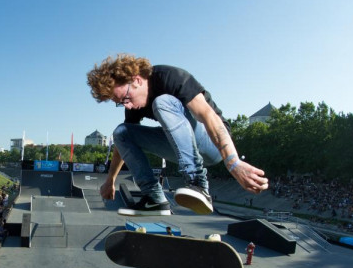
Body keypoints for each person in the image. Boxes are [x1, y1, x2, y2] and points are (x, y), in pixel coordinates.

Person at [87, 54, 268, 215]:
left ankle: (198, 183)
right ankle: (154, 199)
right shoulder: (134, 105)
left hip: (211, 143)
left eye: (125, 98)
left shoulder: (170, 77)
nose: (127, 105)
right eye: (120, 103)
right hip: (182, 147)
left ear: (137, 80)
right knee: (121, 132)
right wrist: (110, 180)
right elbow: (122, 146)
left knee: (162, 102)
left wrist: (233, 163)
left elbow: (208, 116)